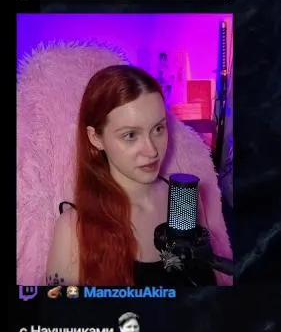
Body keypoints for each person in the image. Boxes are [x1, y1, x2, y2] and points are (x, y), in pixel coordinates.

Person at [44, 65, 218, 287]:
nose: (152, 151)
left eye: (158, 129)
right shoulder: (73, 230)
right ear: (96, 138)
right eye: (130, 135)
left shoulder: (184, 200)